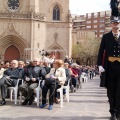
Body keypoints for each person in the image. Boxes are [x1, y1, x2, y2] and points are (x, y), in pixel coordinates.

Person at [97, 17, 120, 120]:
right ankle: (113, 112)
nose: (116, 24)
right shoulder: (106, 37)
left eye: (117, 23)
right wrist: (100, 65)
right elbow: (101, 52)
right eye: (114, 23)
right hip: (109, 67)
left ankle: (119, 112)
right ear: (111, 24)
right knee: (111, 91)